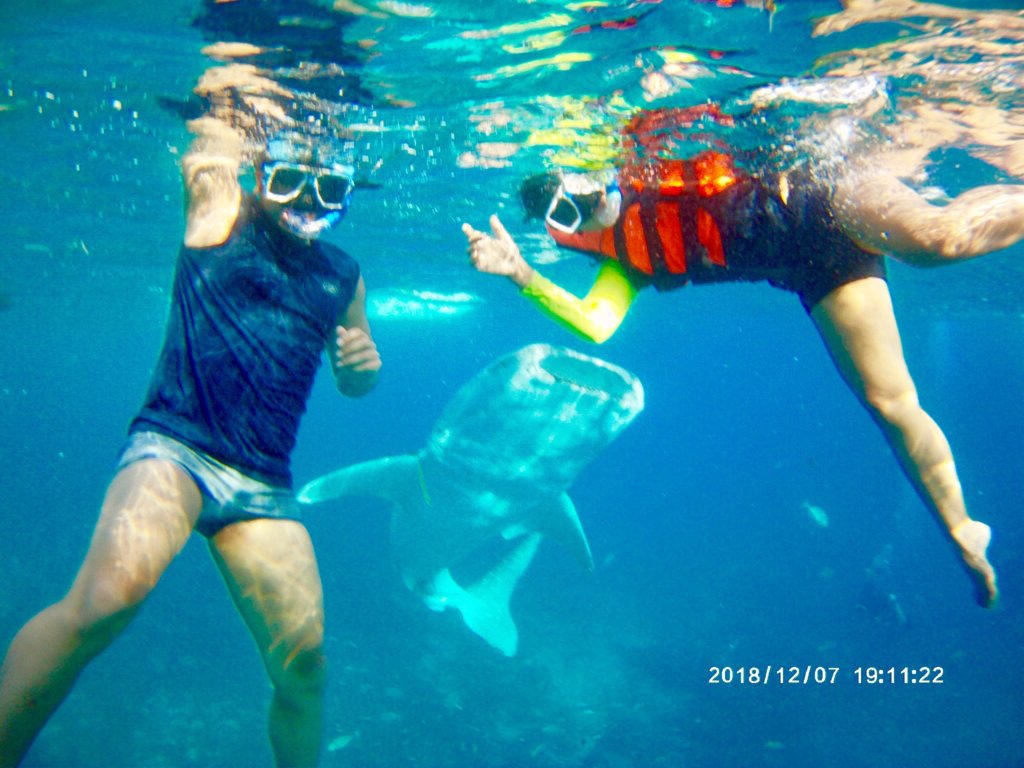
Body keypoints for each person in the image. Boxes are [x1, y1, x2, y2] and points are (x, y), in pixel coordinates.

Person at [462, 107, 1024, 610]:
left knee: (939, 241)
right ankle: (960, 525)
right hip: (814, 269)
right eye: (565, 215)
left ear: (594, 166)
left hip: (824, 193)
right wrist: (523, 275)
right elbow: (596, 323)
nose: (583, 208)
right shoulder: (626, 256)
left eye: (576, 188)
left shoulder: (657, 156)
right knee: (890, 403)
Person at [0, 115, 381, 768]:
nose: (308, 204)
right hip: (174, 446)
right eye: (289, 182)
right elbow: (208, 152)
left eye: (328, 190)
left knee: (307, 667)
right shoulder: (221, 212)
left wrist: (362, 371)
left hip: (262, 482)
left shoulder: (344, 276)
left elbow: (355, 378)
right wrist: (234, 106)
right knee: (102, 605)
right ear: (261, 174)